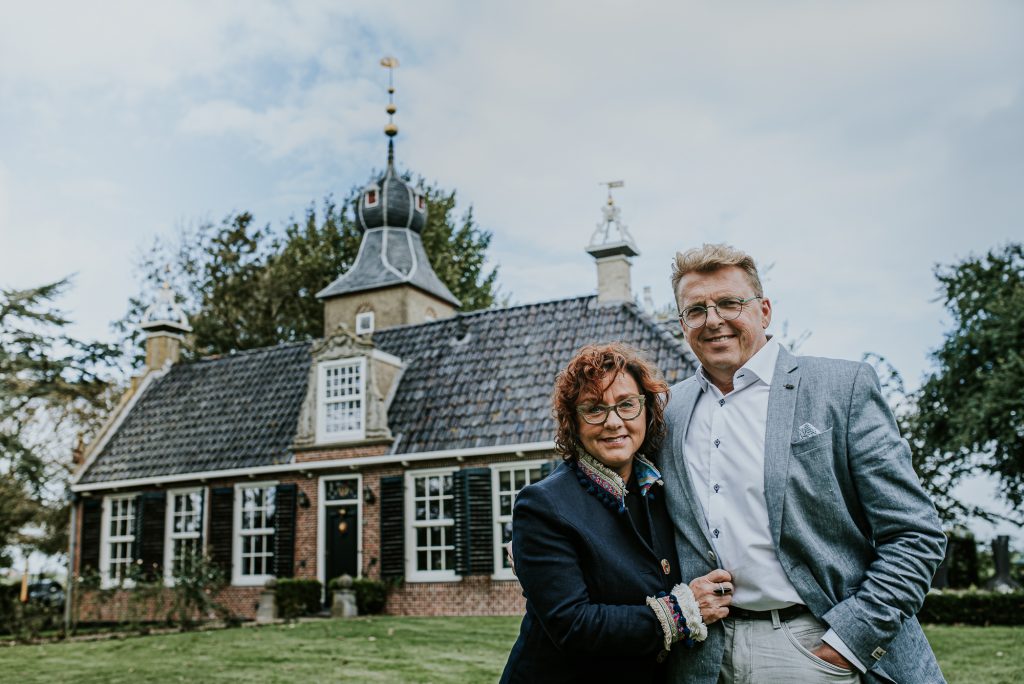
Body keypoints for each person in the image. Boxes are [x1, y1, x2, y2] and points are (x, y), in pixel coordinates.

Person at [660, 244, 947, 684]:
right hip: (705, 656)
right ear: (683, 325)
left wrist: (846, 642)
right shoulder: (668, 410)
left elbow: (914, 532)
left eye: (729, 303)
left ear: (764, 310)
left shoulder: (841, 387)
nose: (713, 319)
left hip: (813, 643)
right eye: (695, 310)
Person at [501, 343, 734, 683]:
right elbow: (573, 626)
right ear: (574, 422)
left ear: (647, 411)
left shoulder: (660, 489)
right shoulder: (543, 505)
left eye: (626, 405)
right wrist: (683, 612)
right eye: (594, 409)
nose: (613, 423)